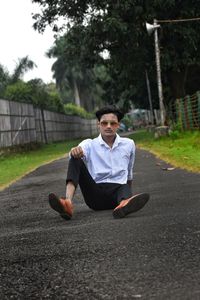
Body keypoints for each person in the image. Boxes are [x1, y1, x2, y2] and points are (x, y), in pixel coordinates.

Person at [48, 106, 150, 220]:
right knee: (75, 158)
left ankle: (125, 204)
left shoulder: (129, 144)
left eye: (113, 123)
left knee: (124, 185)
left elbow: (129, 173)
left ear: (118, 125)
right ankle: (67, 203)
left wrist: (127, 194)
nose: (108, 126)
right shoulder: (89, 144)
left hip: (117, 196)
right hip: (95, 196)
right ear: (98, 125)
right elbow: (78, 150)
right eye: (104, 123)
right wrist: (75, 151)